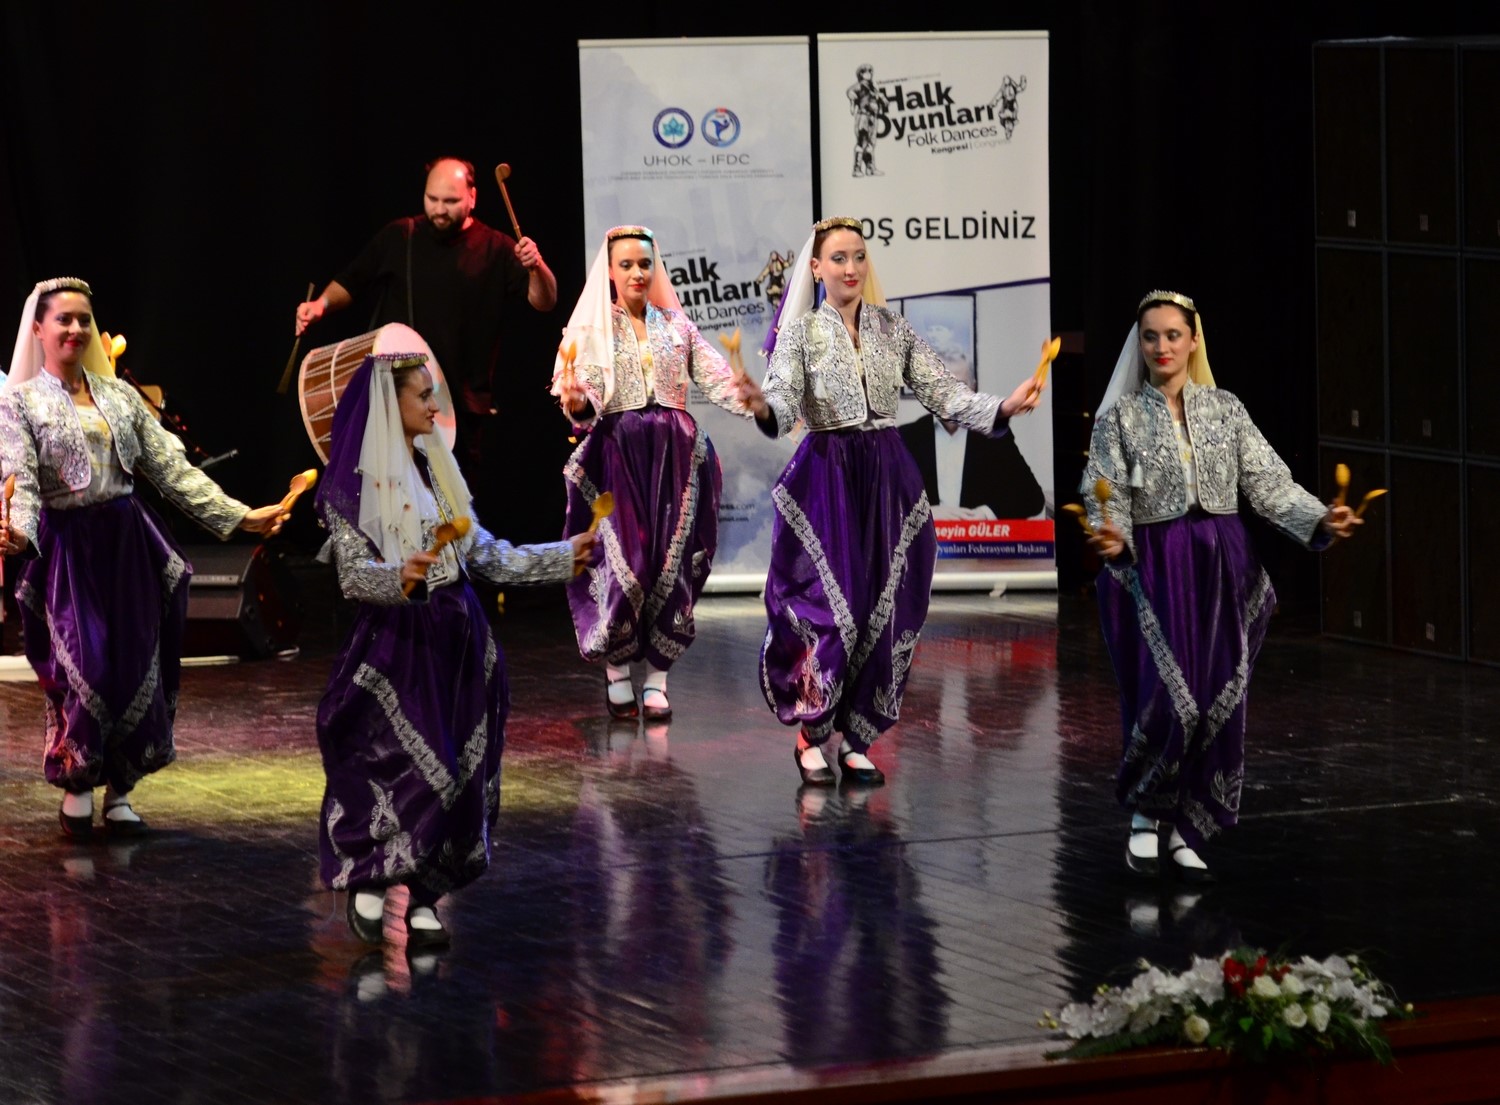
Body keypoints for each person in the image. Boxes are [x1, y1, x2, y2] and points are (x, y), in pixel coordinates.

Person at [749, 217, 1043, 787]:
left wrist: (1002, 408)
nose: (852, 268)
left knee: (887, 610)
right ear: (816, 268)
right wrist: (761, 408)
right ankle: (812, 731)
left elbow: (944, 392)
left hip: (887, 479)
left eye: (859, 256)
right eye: (838, 258)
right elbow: (782, 403)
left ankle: (858, 738)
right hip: (827, 479)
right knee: (835, 613)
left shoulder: (892, 328)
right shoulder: (802, 333)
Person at [314, 349, 593, 948]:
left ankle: (425, 891)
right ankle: (372, 874)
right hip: (395, 644)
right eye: (423, 396)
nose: (436, 407)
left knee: (460, 770)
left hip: (458, 642)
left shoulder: (437, 469)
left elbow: (484, 554)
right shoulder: (353, 487)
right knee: (395, 765)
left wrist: (561, 557)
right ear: (392, 404)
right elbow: (353, 576)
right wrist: (401, 579)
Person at [1080, 291, 1361, 881]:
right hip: (1156, 567)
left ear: (1193, 340)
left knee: (1215, 702)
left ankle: (1185, 825)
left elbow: (1268, 483)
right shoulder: (1122, 418)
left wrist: (1319, 520)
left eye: (1173, 336)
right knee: (1169, 700)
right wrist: (1113, 537)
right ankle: (1144, 815)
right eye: (1151, 336)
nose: (1162, 347)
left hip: (1220, 567)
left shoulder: (1225, 411)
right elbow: (1106, 490)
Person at [0, 278, 287, 840]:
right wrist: (18, 534)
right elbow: (23, 485)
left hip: (127, 543)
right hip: (70, 551)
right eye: (64, 320)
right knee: (90, 665)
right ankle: (79, 781)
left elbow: (171, 471)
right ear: (39, 329)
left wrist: (239, 515)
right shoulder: (20, 402)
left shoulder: (120, 398)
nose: (76, 329)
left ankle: (122, 790)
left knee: (136, 664)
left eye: (84, 319)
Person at [553, 225, 760, 720]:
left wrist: (750, 398)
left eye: (644, 263)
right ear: (610, 271)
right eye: (626, 265)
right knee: (630, 563)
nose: (637, 273)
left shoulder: (677, 326)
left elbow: (716, 377)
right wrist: (580, 402)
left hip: (677, 457)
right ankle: (618, 667)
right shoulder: (593, 330)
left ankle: (660, 676)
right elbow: (582, 393)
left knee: (674, 564)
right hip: (618, 455)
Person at [294, 157, 558, 496]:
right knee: (393, 500)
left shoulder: (497, 248)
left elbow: (545, 300)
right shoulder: (401, 235)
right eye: (432, 199)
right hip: (398, 397)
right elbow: (352, 280)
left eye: (450, 201)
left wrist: (536, 267)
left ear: (472, 197)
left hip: (459, 405)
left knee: (452, 506)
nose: (439, 209)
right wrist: (320, 306)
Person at [897, 340, 1046, 521]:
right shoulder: (906, 436)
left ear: (974, 387)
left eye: (959, 386)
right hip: (924, 545)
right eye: (943, 386)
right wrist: (924, 513)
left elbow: (1031, 497)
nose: (950, 396)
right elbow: (885, 499)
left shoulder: (994, 434)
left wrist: (984, 514)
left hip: (979, 545)